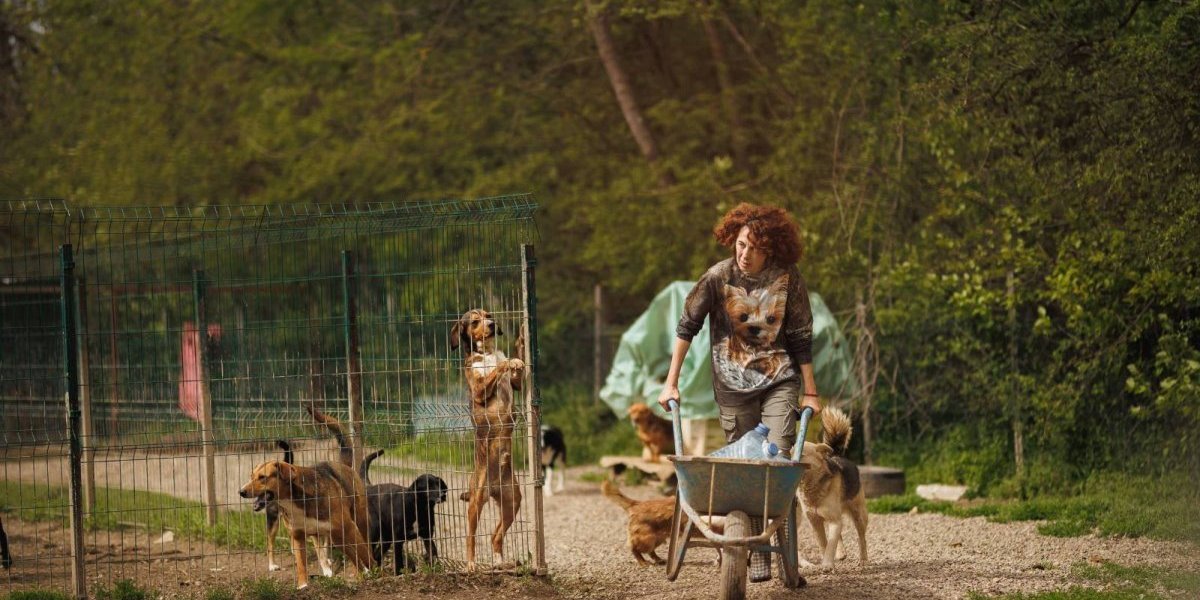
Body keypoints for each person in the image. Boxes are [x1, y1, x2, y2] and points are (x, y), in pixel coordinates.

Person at [655, 202, 822, 583]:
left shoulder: (788, 278)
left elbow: (800, 337)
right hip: (732, 386)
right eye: (741, 244)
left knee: (776, 460)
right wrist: (671, 382)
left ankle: (763, 548)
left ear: (772, 249)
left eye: (754, 248)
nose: (745, 254)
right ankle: (756, 547)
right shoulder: (718, 277)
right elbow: (687, 327)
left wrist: (810, 392)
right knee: (746, 474)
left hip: (779, 378)